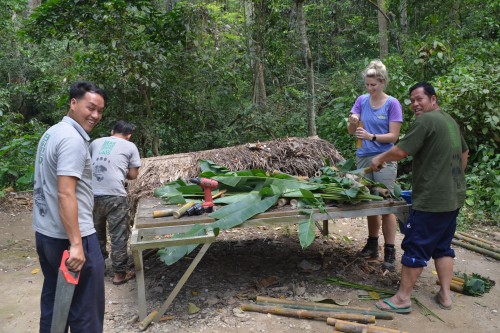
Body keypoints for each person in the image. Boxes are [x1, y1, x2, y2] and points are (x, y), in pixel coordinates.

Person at [371, 82, 468, 313]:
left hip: (432, 200)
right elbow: (464, 153)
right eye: (412, 100)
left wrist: (380, 158)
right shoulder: (449, 120)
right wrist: (452, 179)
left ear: (433, 100)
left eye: (420, 99)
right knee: (442, 246)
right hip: (453, 197)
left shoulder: (425, 121)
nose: (415, 104)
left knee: (416, 245)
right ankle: (445, 295)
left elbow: (402, 150)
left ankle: (403, 299)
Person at [32, 81, 107, 332]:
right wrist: (76, 244)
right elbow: (65, 192)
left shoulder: (51, 133)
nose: (95, 115)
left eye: (100, 111)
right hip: (73, 238)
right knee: (86, 310)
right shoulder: (72, 140)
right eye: (91, 107)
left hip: (46, 235)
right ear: (73, 103)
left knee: (54, 304)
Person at [347, 60, 403, 271]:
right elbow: (351, 131)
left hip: (385, 158)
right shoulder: (361, 101)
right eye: (367, 85)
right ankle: (372, 244)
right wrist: (352, 122)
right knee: (369, 201)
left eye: (373, 85)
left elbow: (394, 136)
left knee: (385, 205)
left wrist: (372, 136)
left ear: (382, 82)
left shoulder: (392, 104)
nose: (370, 89)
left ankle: (390, 250)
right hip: (363, 157)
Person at [90, 120, 141, 285]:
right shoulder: (130, 146)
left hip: (90, 194)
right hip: (114, 196)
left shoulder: (95, 142)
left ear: (112, 131)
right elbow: (133, 175)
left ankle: (98, 269)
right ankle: (119, 274)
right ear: (129, 135)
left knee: (95, 233)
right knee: (118, 234)